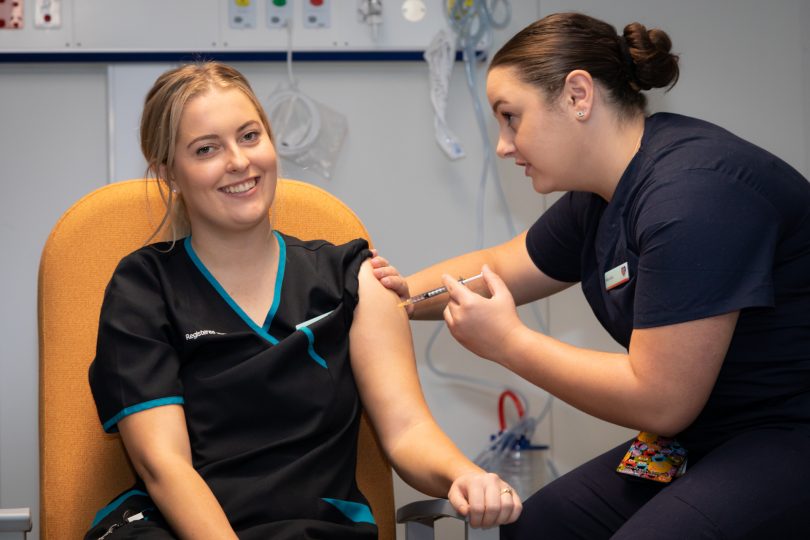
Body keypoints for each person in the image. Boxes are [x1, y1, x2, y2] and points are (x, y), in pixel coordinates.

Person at [371, 11, 810, 539]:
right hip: (711, 430)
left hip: (785, 429)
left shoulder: (693, 196)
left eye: (512, 117)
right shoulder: (602, 197)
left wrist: (509, 343)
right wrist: (384, 298)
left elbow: (661, 402)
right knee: (541, 527)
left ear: (579, 95)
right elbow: (500, 268)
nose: (504, 145)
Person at [84, 62, 521, 540]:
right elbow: (163, 465)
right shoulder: (144, 287)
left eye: (250, 136)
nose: (238, 161)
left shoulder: (351, 278)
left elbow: (407, 430)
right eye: (206, 149)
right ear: (168, 171)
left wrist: (467, 475)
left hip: (313, 527)